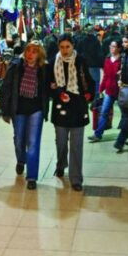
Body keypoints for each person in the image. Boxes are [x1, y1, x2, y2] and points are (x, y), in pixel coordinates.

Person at [0, 43, 49, 190]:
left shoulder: (44, 69)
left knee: (33, 143)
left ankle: (32, 177)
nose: (30, 54)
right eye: (28, 51)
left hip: (36, 109)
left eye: (34, 52)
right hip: (19, 108)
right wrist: (5, 110)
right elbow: (6, 88)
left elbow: (50, 88)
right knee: (19, 139)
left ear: (39, 54)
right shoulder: (16, 67)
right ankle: (21, 160)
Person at [49, 34, 95, 191]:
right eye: (62, 47)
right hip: (60, 106)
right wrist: (58, 93)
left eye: (67, 47)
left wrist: (90, 94)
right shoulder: (53, 62)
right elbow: (50, 84)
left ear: (73, 46)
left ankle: (76, 178)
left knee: (76, 144)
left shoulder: (80, 60)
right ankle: (61, 164)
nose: (64, 50)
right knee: (61, 142)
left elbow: (89, 80)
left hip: (77, 105)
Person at [88, 40, 122, 143]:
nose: (111, 48)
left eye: (114, 46)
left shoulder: (122, 60)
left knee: (126, 113)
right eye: (111, 46)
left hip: (121, 90)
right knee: (104, 112)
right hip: (109, 90)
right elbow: (106, 76)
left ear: (119, 48)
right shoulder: (107, 59)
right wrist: (101, 88)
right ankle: (98, 134)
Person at [75, 24, 104, 93]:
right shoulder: (96, 41)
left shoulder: (81, 40)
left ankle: (86, 96)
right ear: (93, 31)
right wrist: (101, 65)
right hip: (94, 65)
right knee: (96, 81)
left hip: (84, 64)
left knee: (84, 81)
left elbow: (77, 52)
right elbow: (99, 54)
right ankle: (95, 97)